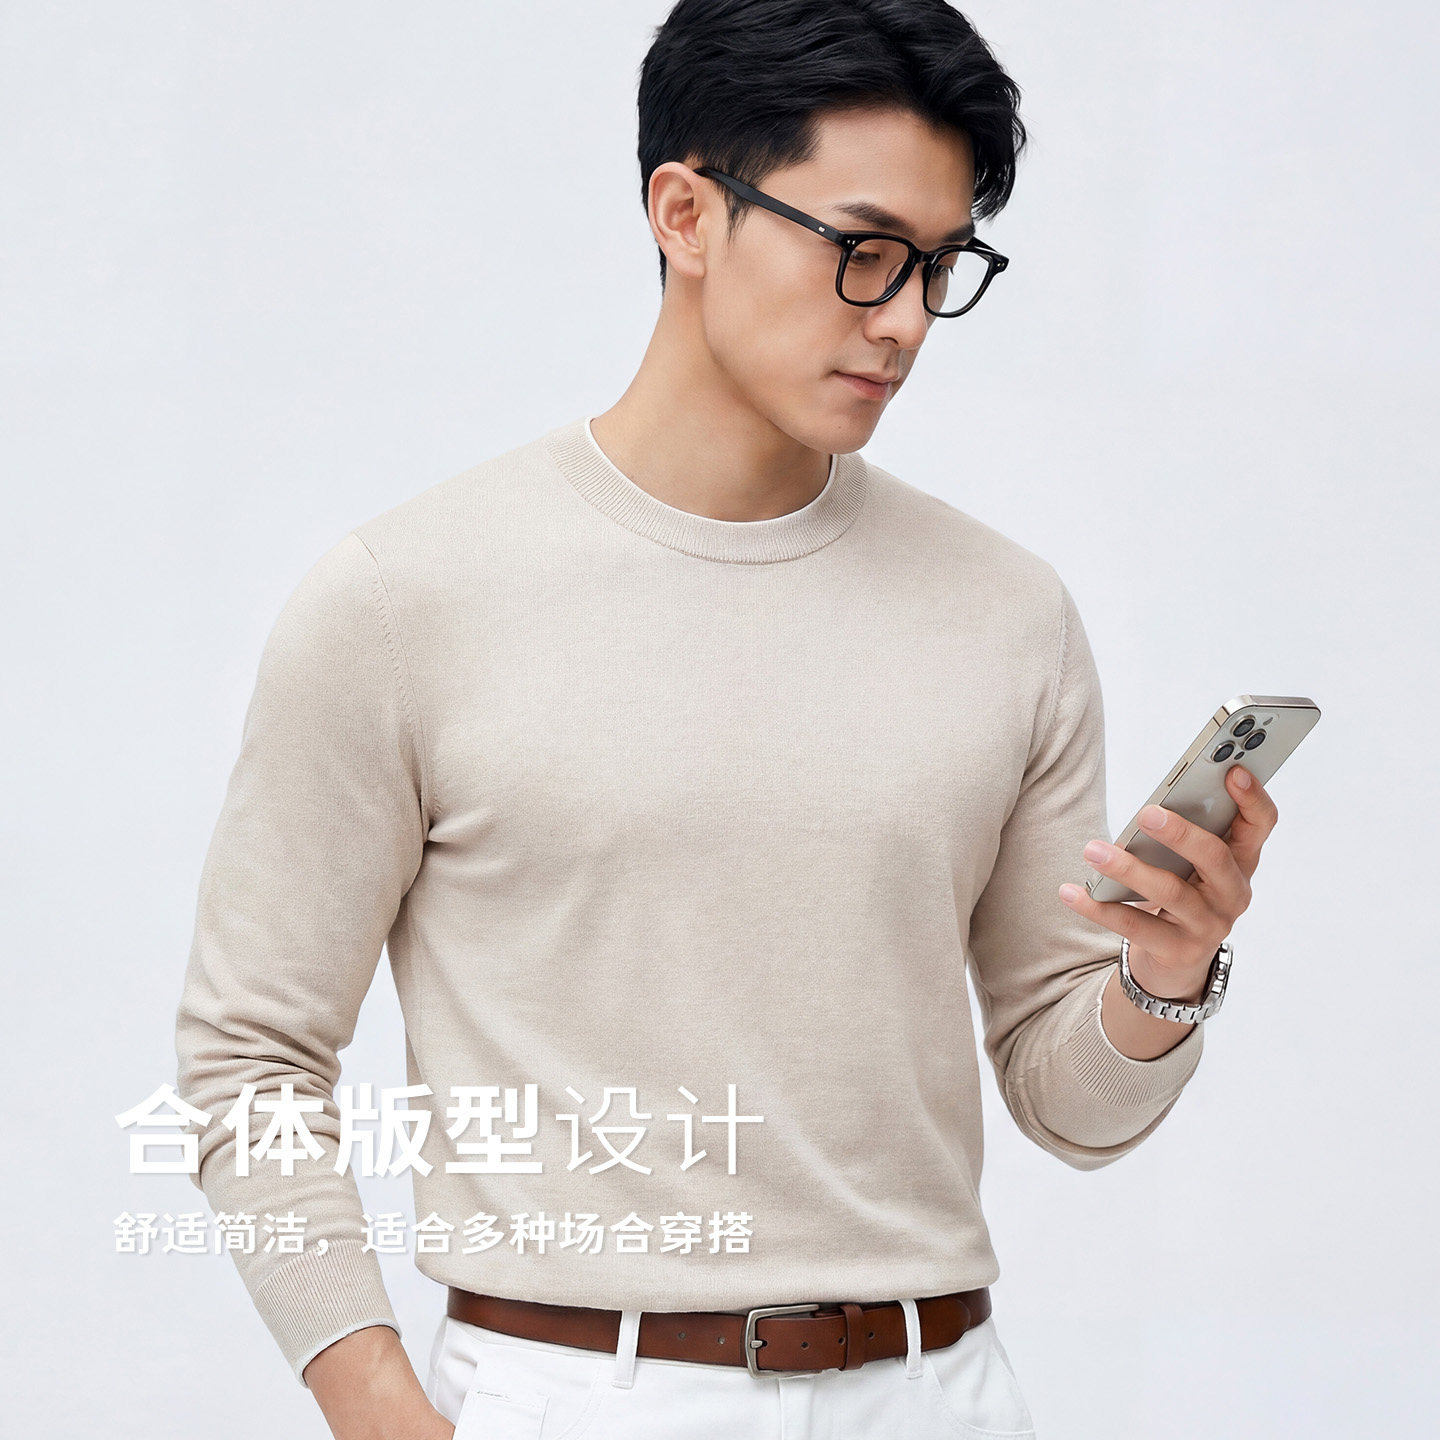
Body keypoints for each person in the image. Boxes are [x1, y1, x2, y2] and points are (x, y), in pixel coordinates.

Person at [173, 2, 1280, 1436]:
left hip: (940, 1391)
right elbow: (252, 1057)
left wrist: (1162, 980)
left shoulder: (1008, 614)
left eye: (941, 266)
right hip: (577, 1391)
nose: (903, 318)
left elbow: (1071, 1107)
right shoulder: (404, 601)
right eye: (863, 249)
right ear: (687, 215)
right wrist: (377, 1406)